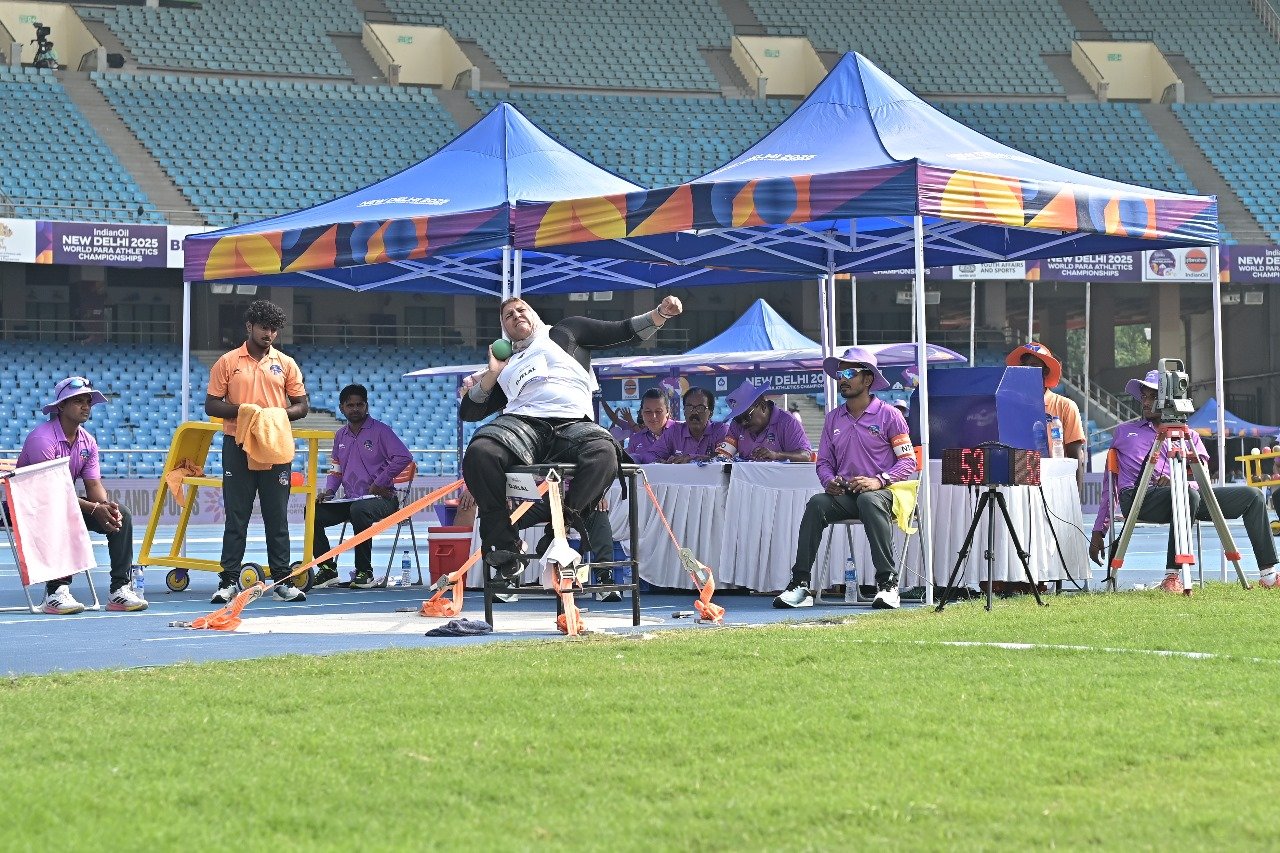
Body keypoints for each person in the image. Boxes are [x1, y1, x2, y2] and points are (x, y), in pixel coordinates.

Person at [460, 294, 683, 589]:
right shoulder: (508, 365)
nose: (515, 316)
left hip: (573, 424)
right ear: (504, 330)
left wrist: (660, 314)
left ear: (534, 314)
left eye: (520, 309)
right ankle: (505, 546)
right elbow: (470, 412)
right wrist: (492, 374)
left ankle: (562, 525)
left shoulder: (566, 332)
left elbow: (621, 330)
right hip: (524, 425)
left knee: (605, 451)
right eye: (507, 316)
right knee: (480, 451)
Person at [1088, 369, 1279, 593]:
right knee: (1187, 495)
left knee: (1253, 497)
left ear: (1168, 400)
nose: (1145, 402)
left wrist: (1175, 483)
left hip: (1189, 496)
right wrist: (1098, 531)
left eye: (1152, 396)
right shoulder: (1124, 432)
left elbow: (1202, 480)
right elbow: (1108, 487)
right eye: (1144, 396)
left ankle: (1269, 576)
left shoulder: (1191, 436)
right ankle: (1172, 576)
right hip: (1140, 498)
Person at [774, 348, 917, 610]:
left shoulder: (890, 415)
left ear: (868, 379)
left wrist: (879, 480)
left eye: (850, 372)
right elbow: (825, 462)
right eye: (840, 373)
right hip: (848, 496)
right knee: (817, 502)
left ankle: (888, 584)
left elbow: (908, 461)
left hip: (885, 493)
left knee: (869, 500)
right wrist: (829, 481)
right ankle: (800, 585)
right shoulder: (833, 418)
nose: (843, 378)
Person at [204, 300, 309, 604]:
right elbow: (212, 404)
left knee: (278, 517)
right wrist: (246, 411)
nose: (269, 333)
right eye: (264, 327)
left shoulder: (286, 363)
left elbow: (302, 405)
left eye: (274, 328)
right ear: (249, 326)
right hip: (237, 443)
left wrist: (273, 415)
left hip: (274, 444)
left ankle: (283, 580)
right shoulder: (227, 361)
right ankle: (227, 581)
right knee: (237, 516)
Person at [16, 376, 148, 614]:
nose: (86, 406)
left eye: (88, 401)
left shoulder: (87, 442)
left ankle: (120, 589)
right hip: (25, 508)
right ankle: (56, 592)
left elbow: (93, 486)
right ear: (61, 407)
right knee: (64, 512)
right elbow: (51, 492)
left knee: (123, 515)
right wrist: (94, 509)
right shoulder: (42, 439)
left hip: (60, 504)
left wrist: (106, 508)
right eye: (77, 401)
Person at [311, 384, 413, 589]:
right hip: (351, 500)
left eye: (360, 404)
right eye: (350, 405)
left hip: (384, 500)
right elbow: (336, 469)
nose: (355, 409)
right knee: (312, 511)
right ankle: (327, 569)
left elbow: (404, 457)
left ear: (366, 406)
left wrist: (379, 482)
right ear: (341, 408)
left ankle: (364, 572)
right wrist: (329, 492)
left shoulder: (381, 430)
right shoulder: (340, 435)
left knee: (359, 510)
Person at [1006, 342, 1086, 496]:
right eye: (1023, 366)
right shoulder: (1012, 406)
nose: (1027, 370)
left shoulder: (1066, 406)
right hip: (1021, 486)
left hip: (1056, 484)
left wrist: (1076, 497)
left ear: (1045, 371)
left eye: (1033, 365)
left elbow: (1076, 455)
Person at [722, 380, 813, 462]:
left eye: (746, 416)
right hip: (746, 479)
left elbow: (806, 456)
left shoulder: (787, 422)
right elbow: (724, 453)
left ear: (762, 406)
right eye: (738, 419)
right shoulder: (736, 425)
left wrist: (776, 455)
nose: (743, 423)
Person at [649, 387, 727, 463]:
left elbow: (724, 458)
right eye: (689, 407)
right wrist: (660, 461)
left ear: (711, 413)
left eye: (700, 407)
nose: (694, 412)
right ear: (684, 411)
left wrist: (692, 458)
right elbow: (651, 455)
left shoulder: (721, 431)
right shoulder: (674, 432)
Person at [626, 389, 678, 464]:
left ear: (668, 411)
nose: (653, 416)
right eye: (648, 411)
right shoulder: (635, 440)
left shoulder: (681, 432)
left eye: (658, 411)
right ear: (641, 413)